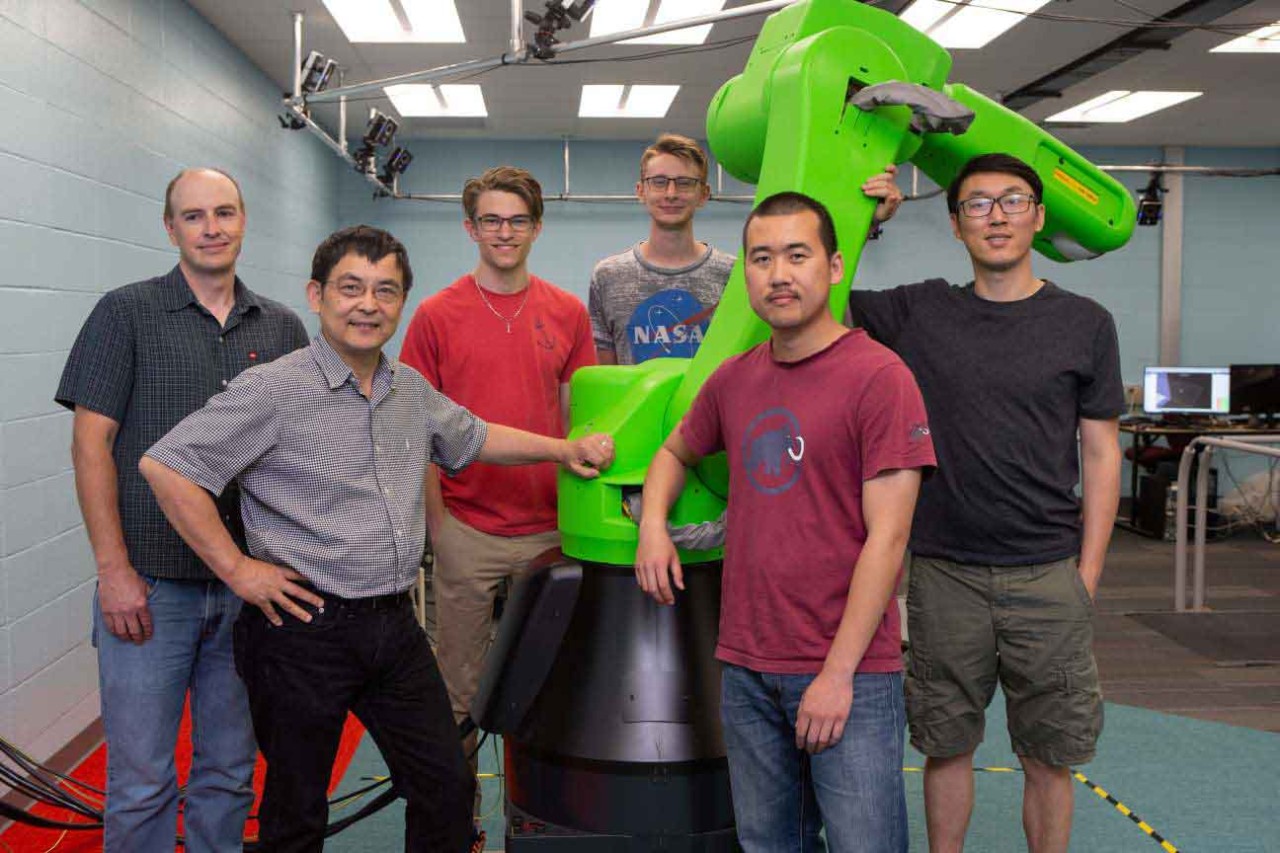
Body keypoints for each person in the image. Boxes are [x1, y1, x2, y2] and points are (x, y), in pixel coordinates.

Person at [139, 225, 613, 852]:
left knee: (445, 786)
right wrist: (238, 569)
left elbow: (476, 436)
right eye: (351, 288)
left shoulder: (409, 390)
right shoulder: (273, 388)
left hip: (392, 627)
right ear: (317, 295)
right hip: (301, 630)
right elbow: (168, 466)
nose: (368, 304)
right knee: (297, 807)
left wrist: (563, 450)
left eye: (386, 291)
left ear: (401, 303)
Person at [635, 192, 936, 852]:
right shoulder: (733, 380)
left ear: (834, 266)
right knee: (769, 845)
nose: (779, 274)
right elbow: (674, 452)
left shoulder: (880, 378)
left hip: (848, 668)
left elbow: (888, 540)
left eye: (797, 255)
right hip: (747, 665)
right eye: (762, 258)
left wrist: (837, 673)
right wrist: (653, 524)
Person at [848, 154, 1124, 853]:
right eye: (977, 204)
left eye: (1012, 201)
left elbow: (1101, 453)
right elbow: (818, 296)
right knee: (946, 746)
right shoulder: (920, 311)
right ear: (955, 223)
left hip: (1049, 573)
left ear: (1038, 215)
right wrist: (866, 222)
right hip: (945, 574)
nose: (996, 217)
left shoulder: (1086, 322)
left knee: (1050, 755)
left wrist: (1088, 574)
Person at [54, 167, 308, 852]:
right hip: (149, 588)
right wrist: (113, 571)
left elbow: (300, 452)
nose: (211, 228)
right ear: (171, 229)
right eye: (193, 216)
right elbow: (90, 447)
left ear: (244, 220)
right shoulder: (124, 314)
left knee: (228, 772)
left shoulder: (282, 328)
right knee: (141, 780)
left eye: (224, 212)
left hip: (248, 591)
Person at [398, 166, 596, 821]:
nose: (504, 232)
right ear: (470, 228)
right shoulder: (435, 315)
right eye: (491, 220)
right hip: (468, 530)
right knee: (458, 696)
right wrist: (439, 525)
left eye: (516, 221)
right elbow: (417, 426)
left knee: (548, 689)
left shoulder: (567, 312)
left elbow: (576, 421)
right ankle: (462, 823)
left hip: (550, 533)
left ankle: (538, 819)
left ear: (536, 228)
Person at [589, 133, 735, 365]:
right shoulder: (607, 276)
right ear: (641, 191)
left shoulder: (734, 275)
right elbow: (605, 374)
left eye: (684, 183)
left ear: (703, 194)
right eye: (659, 182)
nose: (671, 193)